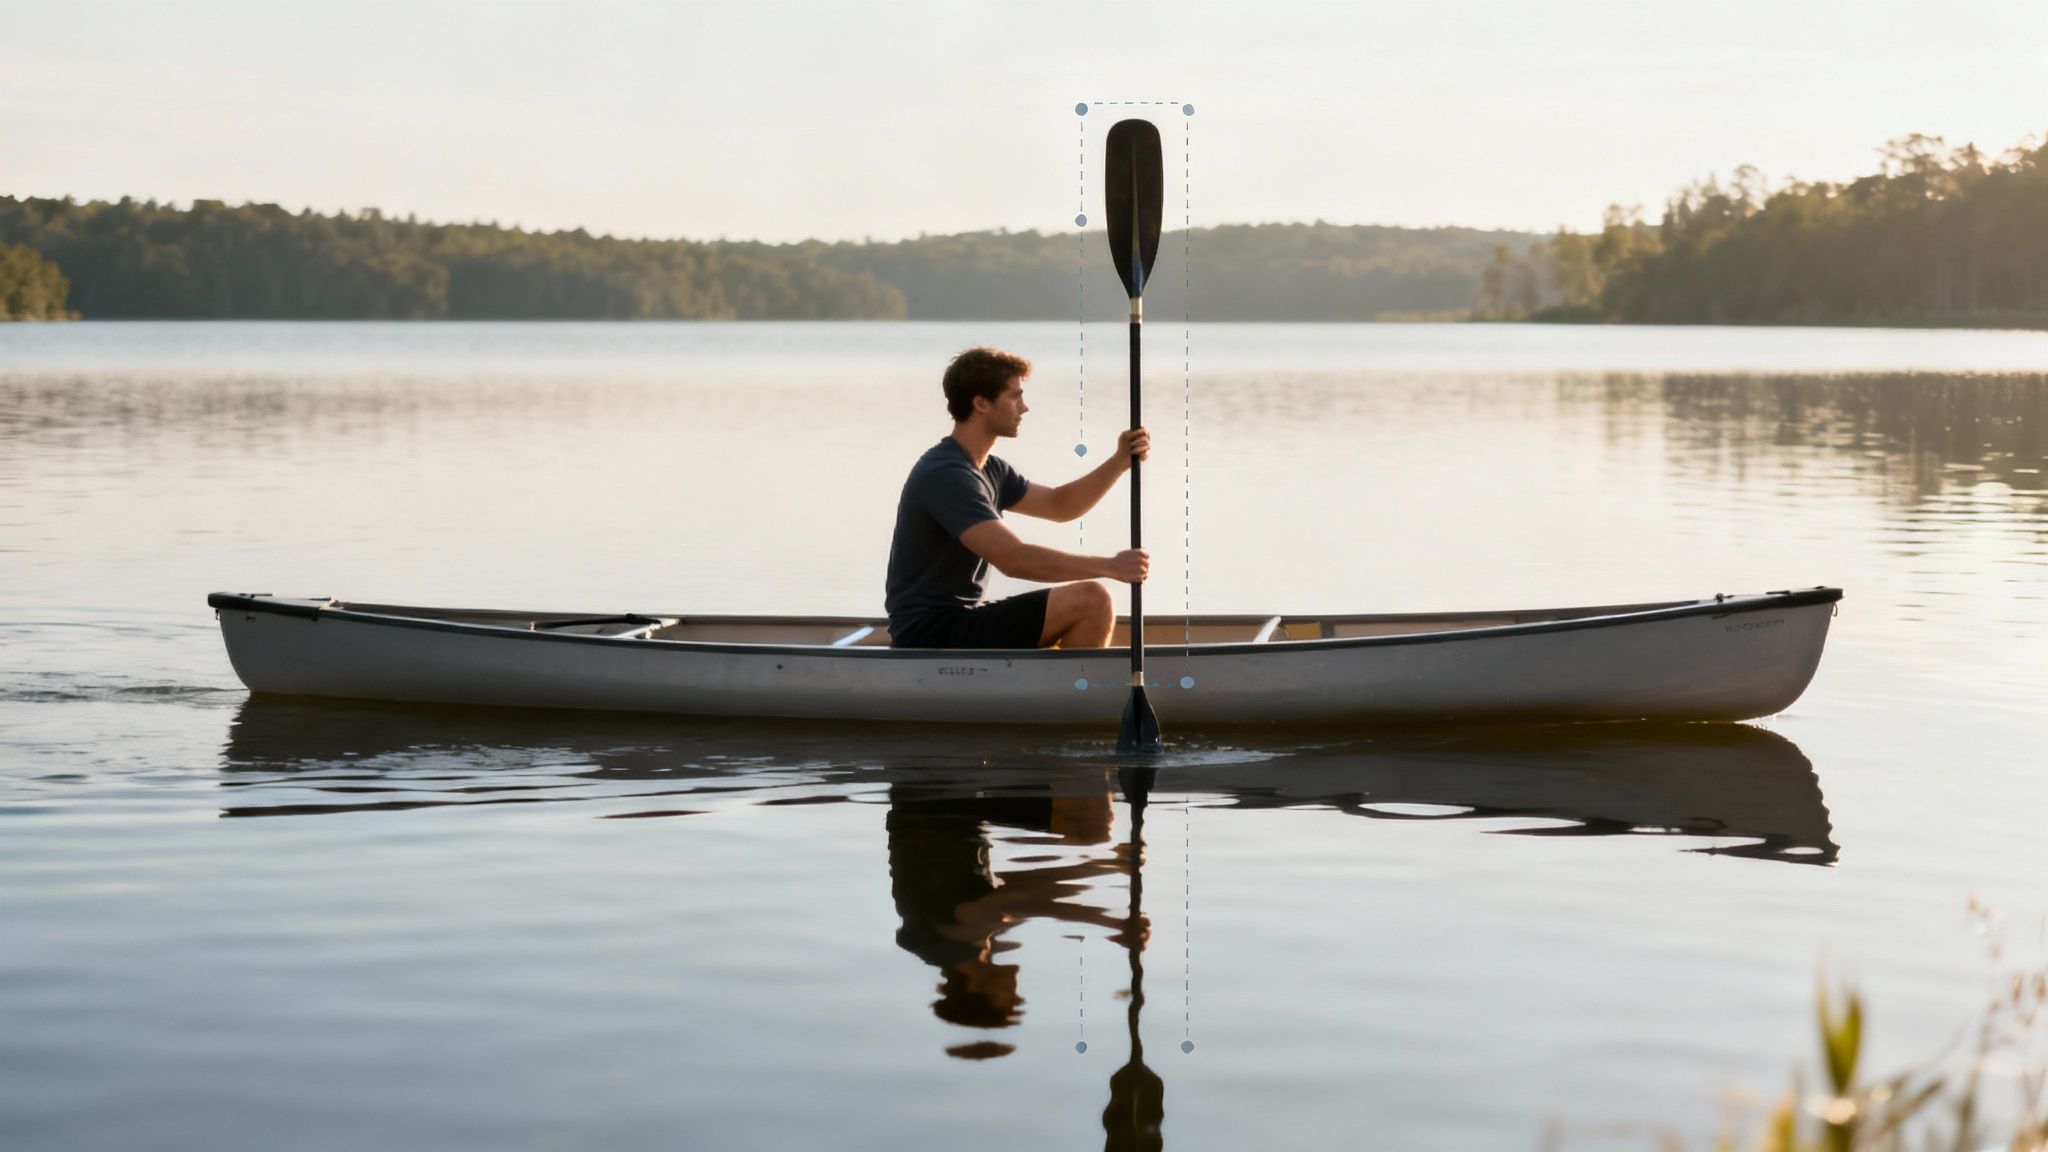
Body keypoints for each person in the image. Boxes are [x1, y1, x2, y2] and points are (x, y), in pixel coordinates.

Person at [885, 346, 1149, 649]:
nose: (1024, 407)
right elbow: (1013, 558)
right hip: (931, 632)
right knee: (1092, 600)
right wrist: (1110, 566)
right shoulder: (946, 474)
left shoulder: (990, 469)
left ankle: (1062, 690)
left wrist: (1119, 461)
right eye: (1015, 396)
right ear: (981, 403)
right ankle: (1074, 694)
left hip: (962, 619)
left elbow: (1059, 505)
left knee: (1085, 602)